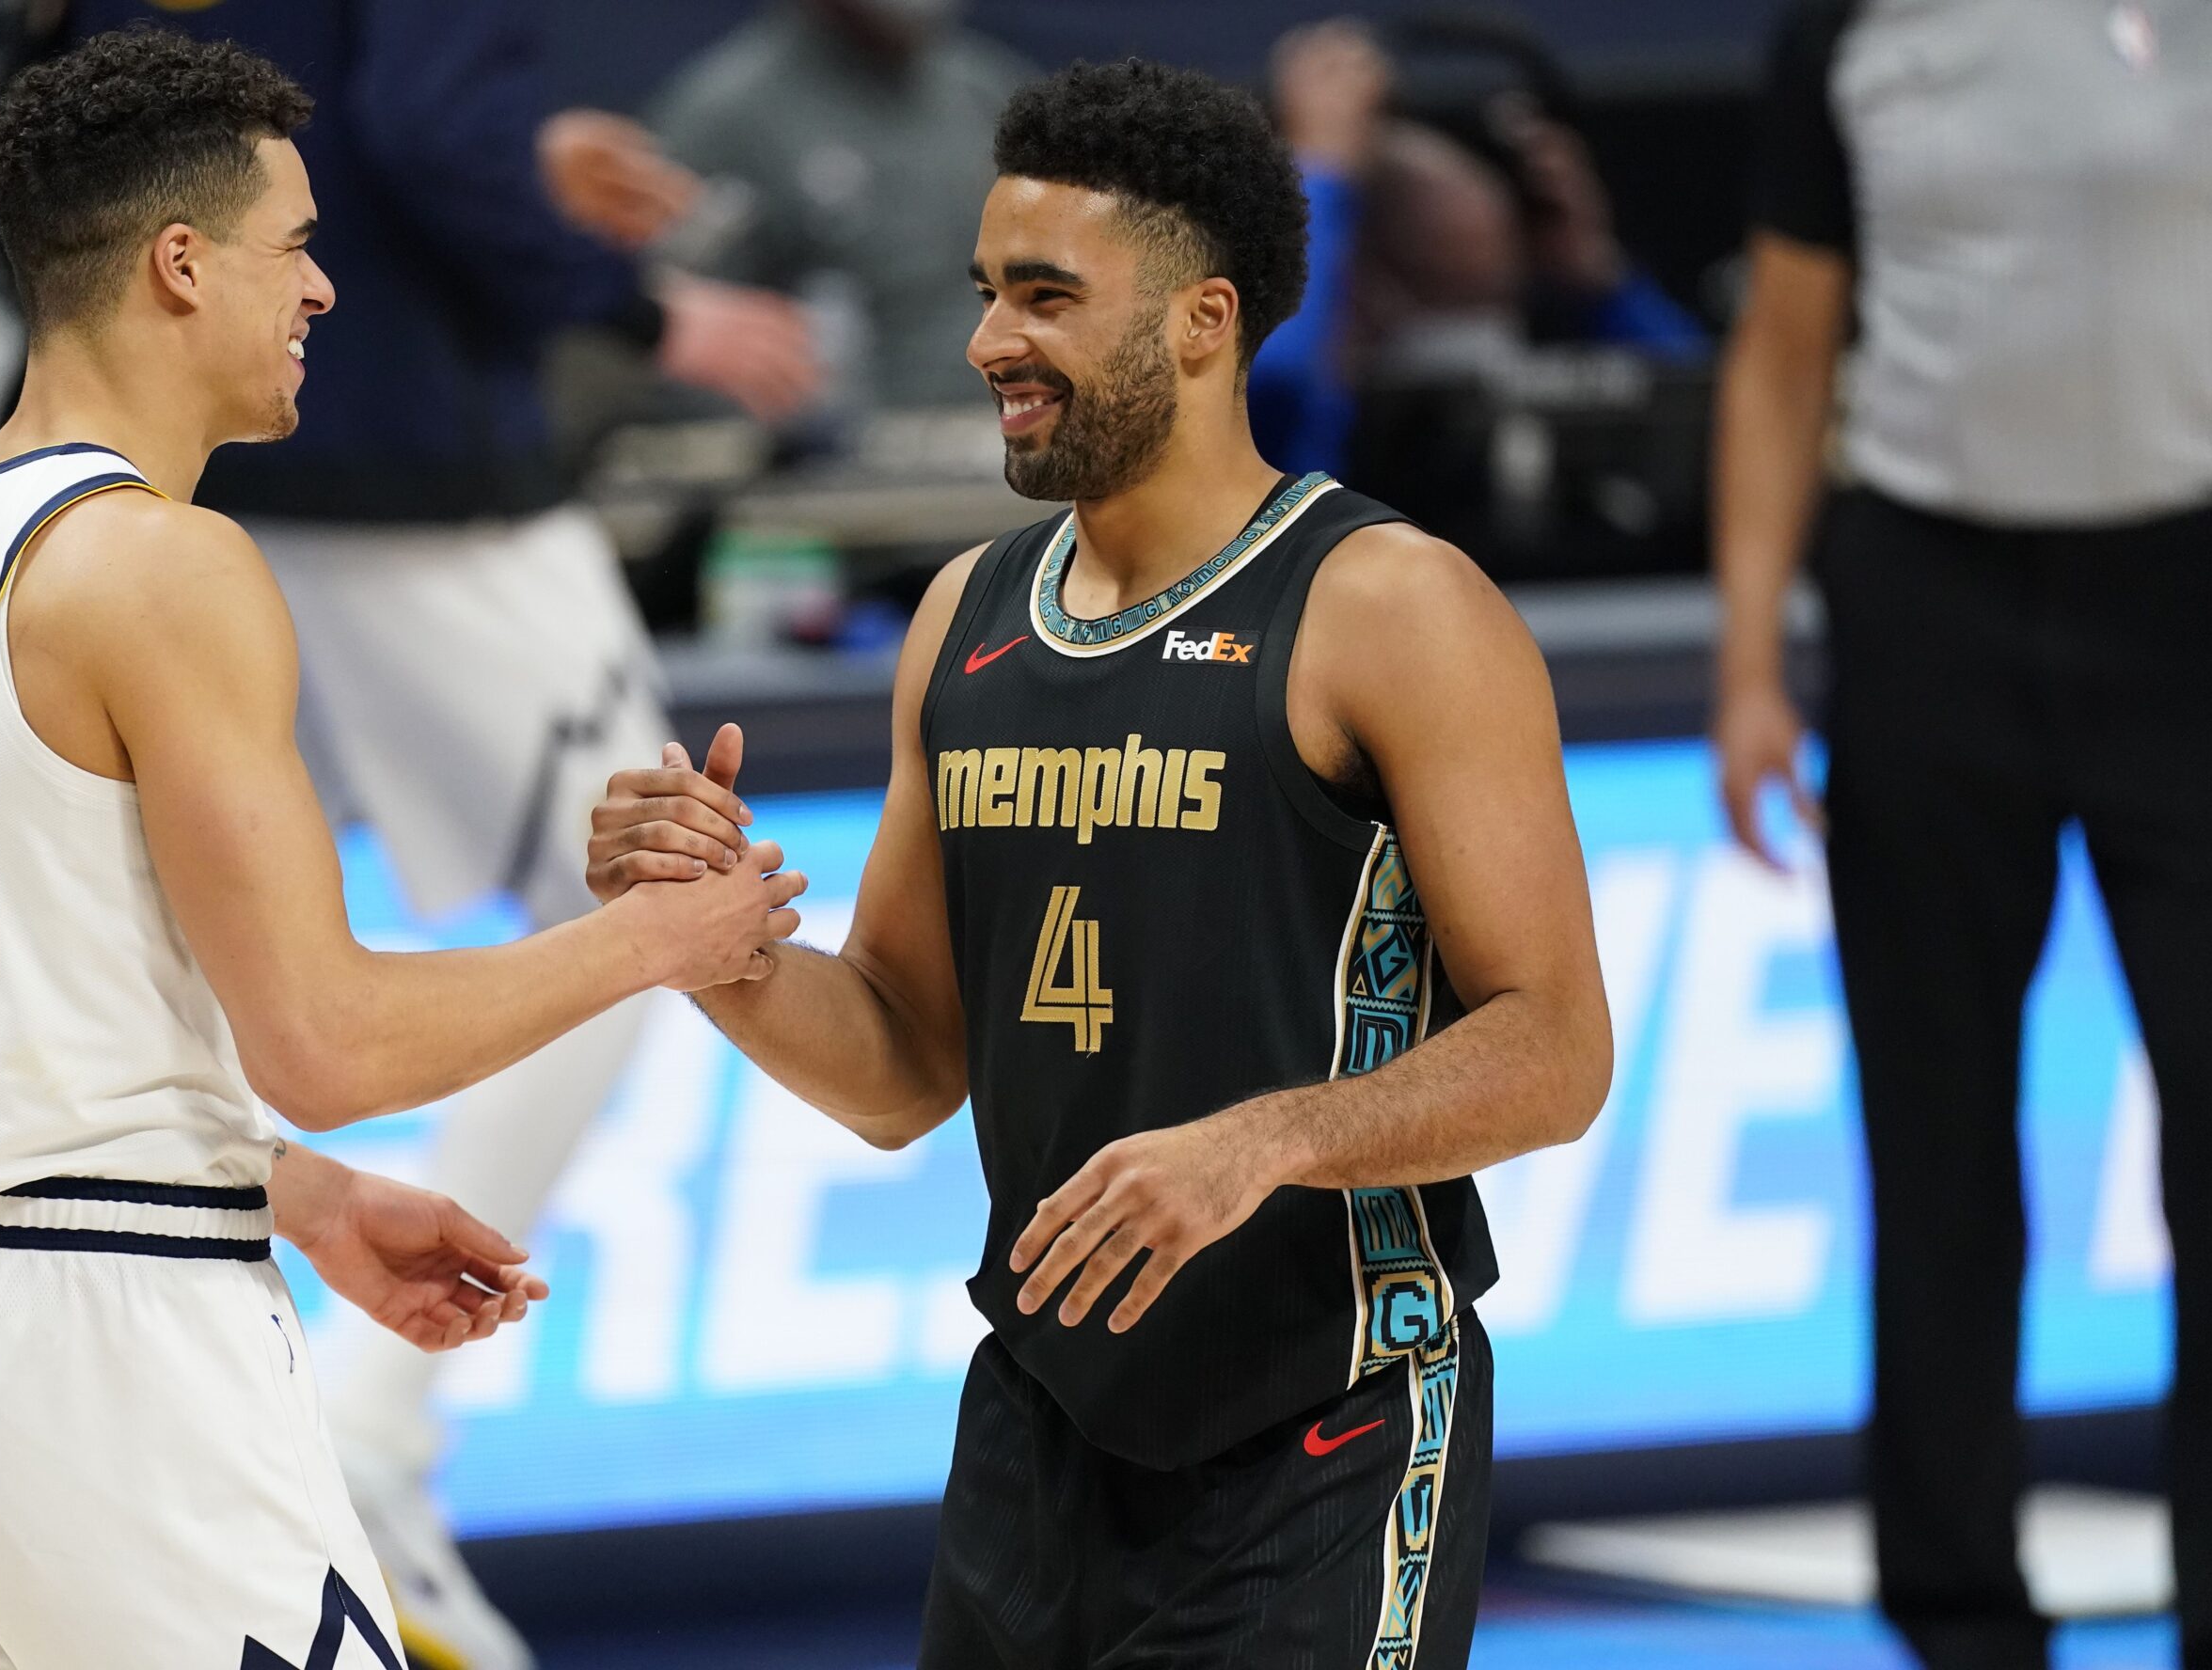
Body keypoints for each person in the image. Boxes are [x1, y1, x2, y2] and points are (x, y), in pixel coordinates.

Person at [589, 59, 1612, 1668]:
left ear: (1203, 321)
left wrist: (1262, 1142)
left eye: (1047, 296)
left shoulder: (1391, 606)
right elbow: (903, 1069)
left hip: (1328, 1422)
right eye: (989, 292)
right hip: (1039, 1423)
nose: (991, 339)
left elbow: (1555, 1049)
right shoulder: (965, 615)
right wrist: (710, 949)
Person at [0, 30, 803, 1668]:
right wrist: (653, 941)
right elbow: (329, 1043)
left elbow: (25, 1033)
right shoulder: (163, 567)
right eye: (294, 247)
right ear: (180, 265)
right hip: (121, 1359)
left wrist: (296, 1190)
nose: (326, 290)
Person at [1714, 6, 2212, 1669]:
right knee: (1936, 1147)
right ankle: (1958, 1617)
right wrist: (1747, 667)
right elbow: (1785, 347)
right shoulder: (1848, 29)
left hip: (2187, 600)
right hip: (1929, 597)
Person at [1251, 17, 1705, 477]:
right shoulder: (1285, 448)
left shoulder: (1546, 437)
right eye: (1432, 286)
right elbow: (1275, 379)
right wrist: (1320, 181)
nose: (1481, 340)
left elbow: (1716, 419)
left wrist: (1600, 285)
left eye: (1492, 304)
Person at [647, 0, 1035, 410]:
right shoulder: (725, 121)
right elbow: (671, 348)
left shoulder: (985, 91)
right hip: (852, 433)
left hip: (1009, 421)